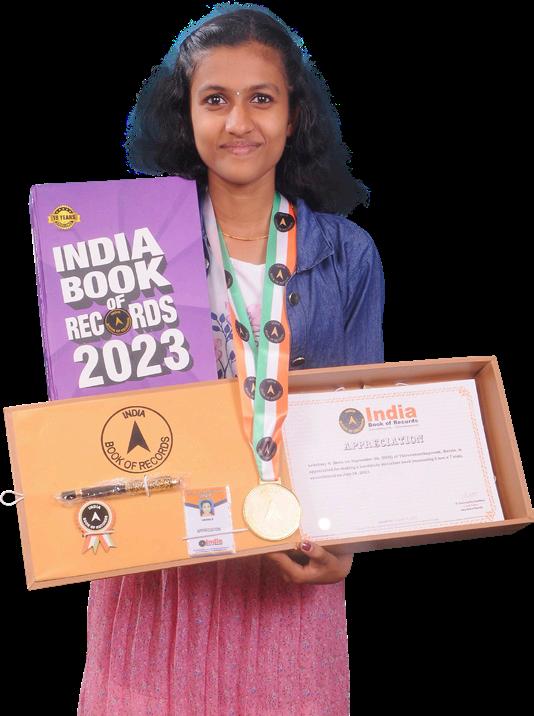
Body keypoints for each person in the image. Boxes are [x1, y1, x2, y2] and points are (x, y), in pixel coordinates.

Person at [77, 4, 385, 715]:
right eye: (215, 99)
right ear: (183, 115)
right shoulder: (123, 245)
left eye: (262, 99)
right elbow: (90, 408)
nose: (238, 122)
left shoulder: (348, 254)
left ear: (294, 114)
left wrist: (347, 546)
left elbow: (360, 421)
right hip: (156, 575)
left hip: (290, 567)